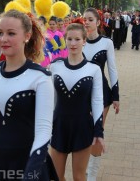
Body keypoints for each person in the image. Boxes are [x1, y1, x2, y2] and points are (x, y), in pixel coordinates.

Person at [0, 9, 58, 181]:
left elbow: (44, 131)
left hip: (27, 159)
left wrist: (32, 171)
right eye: (0, 33)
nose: (3, 39)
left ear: (27, 36)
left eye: (11, 33)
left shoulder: (41, 77)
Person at [50, 21, 105, 181]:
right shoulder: (55, 67)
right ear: (65, 40)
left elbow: (97, 101)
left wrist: (98, 132)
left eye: (77, 39)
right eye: (69, 39)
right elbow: (50, 100)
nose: (73, 43)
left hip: (82, 127)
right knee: (56, 176)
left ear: (84, 41)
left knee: (79, 177)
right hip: (59, 126)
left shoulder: (93, 69)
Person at [83, 8, 120, 181]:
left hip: (102, 93)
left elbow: (112, 69)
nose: (87, 22)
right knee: (83, 131)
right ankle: (82, 167)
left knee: (97, 132)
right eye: (85, 19)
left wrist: (116, 96)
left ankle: (92, 174)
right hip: (81, 94)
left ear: (98, 22)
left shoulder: (106, 42)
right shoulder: (77, 41)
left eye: (90, 19)